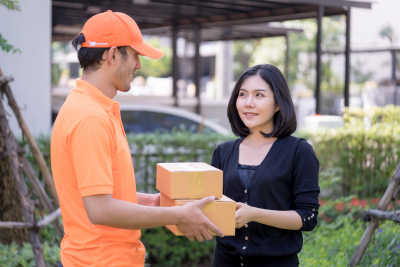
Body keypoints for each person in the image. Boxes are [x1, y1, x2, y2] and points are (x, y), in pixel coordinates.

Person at [51, 10, 223, 267]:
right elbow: (100, 209)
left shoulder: (91, 108)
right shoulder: (90, 118)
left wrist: (155, 204)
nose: (139, 65)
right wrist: (177, 214)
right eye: (134, 55)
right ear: (112, 55)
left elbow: (105, 194)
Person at [210, 64, 320, 267]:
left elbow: (308, 217)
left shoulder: (299, 151)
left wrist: (254, 214)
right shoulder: (223, 152)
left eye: (259, 95)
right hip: (224, 260)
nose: (248, 103)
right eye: (242, 95)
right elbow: (212, 206)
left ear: (278, 103)